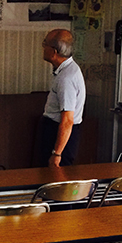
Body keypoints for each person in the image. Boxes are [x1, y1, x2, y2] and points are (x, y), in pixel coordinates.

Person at [36, 29, 85, 168]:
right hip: (55, 131)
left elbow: (68, 120)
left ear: (54, 52)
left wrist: (57, 153)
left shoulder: (66, 78)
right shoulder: (66, 70)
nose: (42, 47)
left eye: (44, 44)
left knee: (55, 182)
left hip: (60, 135)